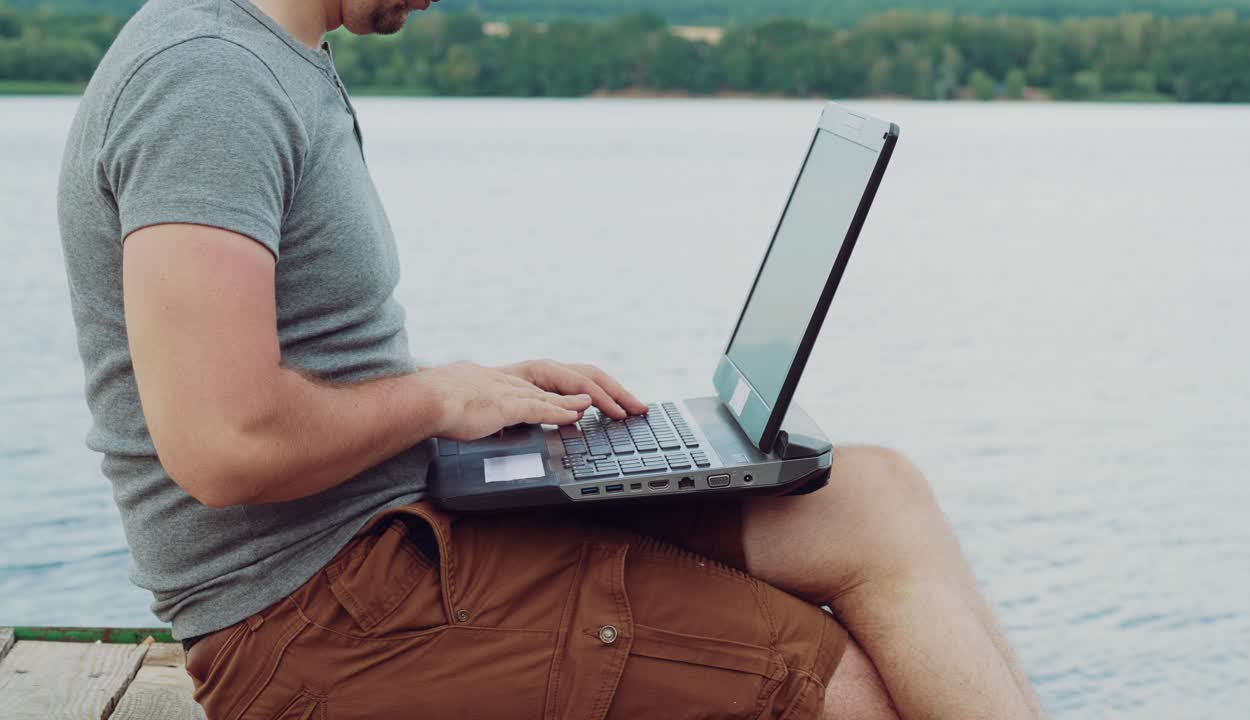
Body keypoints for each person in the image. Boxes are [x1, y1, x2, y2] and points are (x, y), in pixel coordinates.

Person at [56, 0, 1043, 718]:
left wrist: (481, 395)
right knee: (832, 687)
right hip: (312, 623)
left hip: (400, 528)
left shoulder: (271, 58)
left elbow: (300, 371)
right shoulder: (207, 80)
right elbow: (224, 444)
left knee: (875, 496)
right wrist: (437, 397)